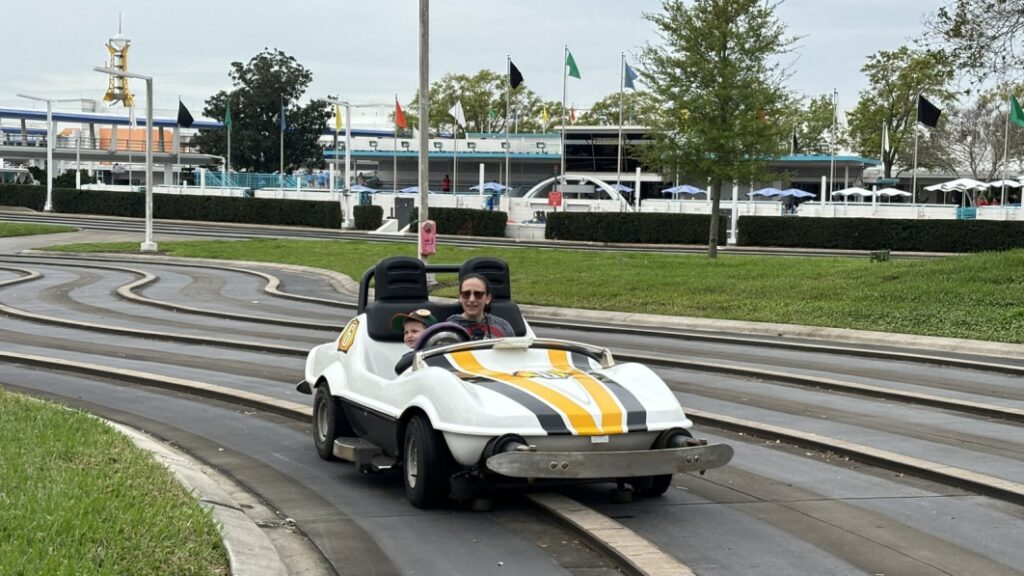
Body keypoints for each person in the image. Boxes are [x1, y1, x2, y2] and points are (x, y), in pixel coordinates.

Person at [446, 274, 514, 340]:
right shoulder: (449, 330)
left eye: (478, 294)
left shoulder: (503, 328)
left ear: (488, 298)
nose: (472, 299)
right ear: (460, 297)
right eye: (466, 294)